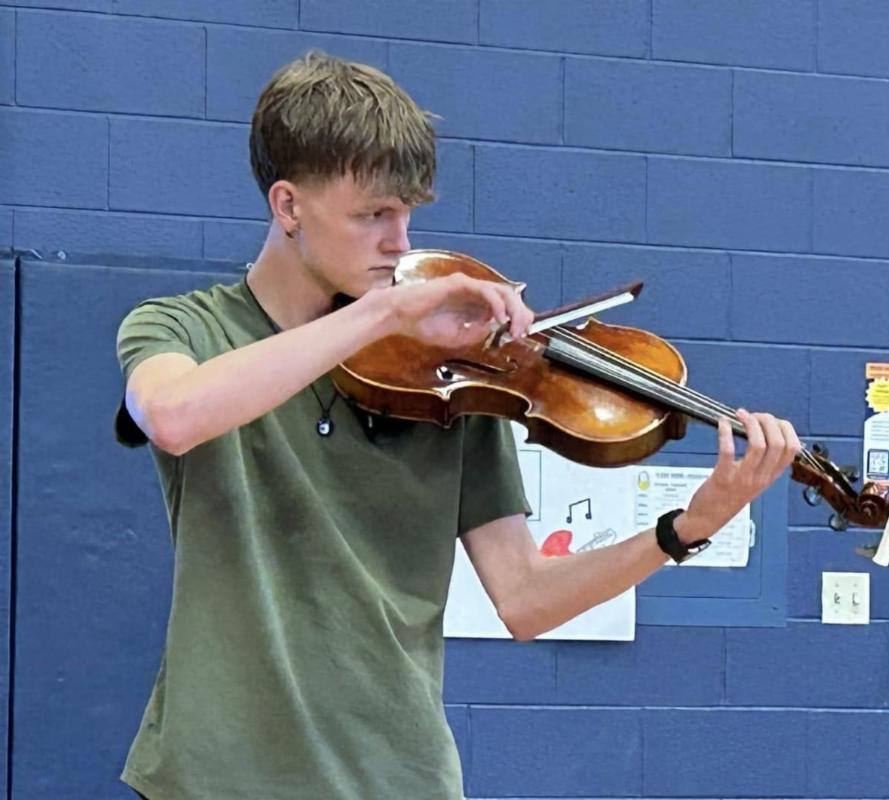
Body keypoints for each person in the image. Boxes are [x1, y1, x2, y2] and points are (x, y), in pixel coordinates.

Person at [113, 51, 802, 800]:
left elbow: (526, 599)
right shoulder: (183, 326)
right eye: (373, 214)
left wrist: (686, 528)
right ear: (288, 206)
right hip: (214, 779)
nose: (401, 244)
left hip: (399, 779)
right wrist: (383, 309)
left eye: (408, 214)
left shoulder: (447, 376)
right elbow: (173, 415)